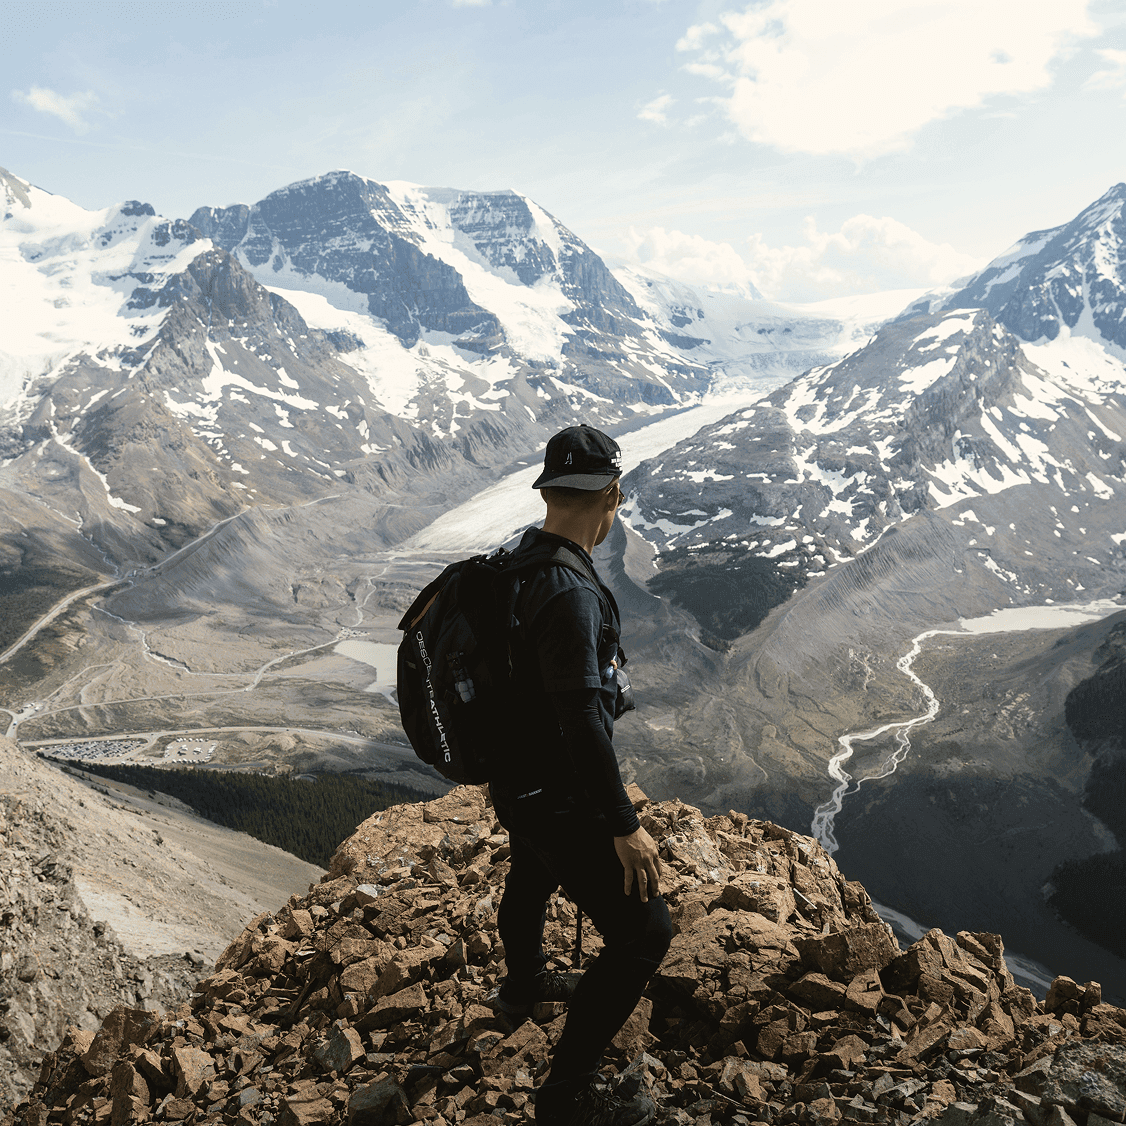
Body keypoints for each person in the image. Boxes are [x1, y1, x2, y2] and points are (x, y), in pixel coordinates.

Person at [488, 424, 673, 1126]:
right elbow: (581, 722)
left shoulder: (517, 558)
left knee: (532, 873)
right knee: (643, 934)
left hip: (515, 782)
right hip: (555, 790)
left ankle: (522, 988)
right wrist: (624, 826)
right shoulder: (570, 590)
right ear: (613, 496)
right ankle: (564, 1097)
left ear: (548, 491)